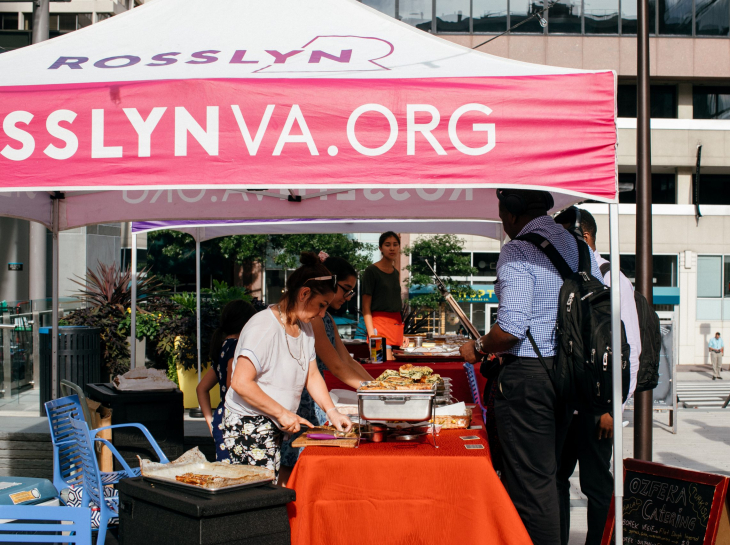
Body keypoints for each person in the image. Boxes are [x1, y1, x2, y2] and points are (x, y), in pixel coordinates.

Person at [460, 188, 604, 545]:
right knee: (546, 479)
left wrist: (477, 348)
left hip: (529, 377)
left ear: (509, 214)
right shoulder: (581, 249)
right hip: (568, 375)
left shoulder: (518, 249)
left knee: (530, 486)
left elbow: (510, 329)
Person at [554, 206, 641, 545]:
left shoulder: (611, 278)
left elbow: (630, 350)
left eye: (563, 238)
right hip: (564, 403)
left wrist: (614, 408)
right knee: (557, 479)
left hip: (597, 409)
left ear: (584, 237)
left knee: (595, 485)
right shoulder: (565, 277)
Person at [223, 252, 353, 480]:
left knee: (271, 492)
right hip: (249, 424)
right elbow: (240, 382)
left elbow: (311, 374)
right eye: (321, 305)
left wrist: (331, 411)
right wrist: (282, 413)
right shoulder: (263, 326)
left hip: (271, 423)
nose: (322, 314)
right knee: (258, 498)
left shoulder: (306, 326)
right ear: (304, 294)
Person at [279, 252, 374, 481]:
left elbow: (348, 361)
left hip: (314, 398)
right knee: (292, 465)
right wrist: (377, 391)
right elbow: (337, 367)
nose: (349, 296)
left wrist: (376, 386)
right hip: (302, 399)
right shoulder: (316, 319)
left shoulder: (326, 318)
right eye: (346, 289)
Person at [196, 299, 257, 462]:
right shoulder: (238, 347)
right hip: (237, 421)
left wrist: (211, 421)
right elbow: (234, 384)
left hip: (222, 417)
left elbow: (201, 388)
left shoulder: (222, 347)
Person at [362, 231, 404, 360]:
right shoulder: (371, 271)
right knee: (381, 364)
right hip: (378, 325)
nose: (392, 248)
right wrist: (371, 334)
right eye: (387, 245)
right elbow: (365, 307)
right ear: (380, 248)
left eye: (395, 244)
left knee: (395, 369)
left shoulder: (396, 273)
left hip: (395, 325)